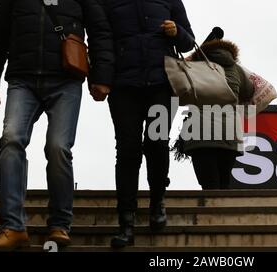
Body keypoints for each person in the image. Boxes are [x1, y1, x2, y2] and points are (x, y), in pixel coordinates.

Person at [0, 0, 114, 251]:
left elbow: (100, 32)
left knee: (58, 147)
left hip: (66, 80)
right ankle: (13, 227)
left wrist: (101, 77)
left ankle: (60, 225)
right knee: (10, 139)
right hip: (23, 79)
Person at [101, 0, 195, 248]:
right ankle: (126, 222)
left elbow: (188, 42)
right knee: (127, 151)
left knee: (157, 143)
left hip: (162, 86)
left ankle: (157, 203)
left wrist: (177, 31)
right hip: (123, 87)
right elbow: (101, 40)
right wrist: (101, 77)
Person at [173, 39, 254, 190]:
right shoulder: (237, 69)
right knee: (224, 183)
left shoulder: (194, 68)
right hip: (229, 135)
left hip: (200, 135)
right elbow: (249, 91)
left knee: (208, 185)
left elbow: (177, 90)